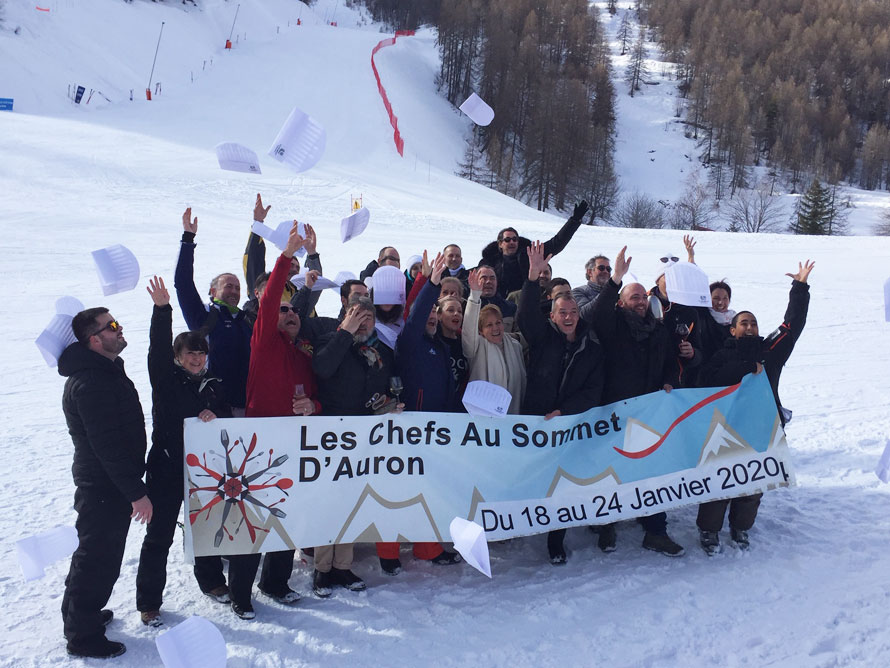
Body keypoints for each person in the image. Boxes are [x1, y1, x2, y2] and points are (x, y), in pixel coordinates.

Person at [227, 223, 321, 619]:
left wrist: (312, 407)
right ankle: (240, 594)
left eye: (293, 309)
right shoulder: (263, 343)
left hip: (295, 445)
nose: (288, 313)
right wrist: (285, 258)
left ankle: (275, 582)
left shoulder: (302, 354)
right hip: (258, 445)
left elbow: (318, 397)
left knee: (288, 515)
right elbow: (268, 305)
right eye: (281, 309)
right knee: (253, 519)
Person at [696, 261, 814, 555]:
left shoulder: (770, 351)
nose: (749, 327)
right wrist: (748, 366)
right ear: (733, 330)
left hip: (763, 428)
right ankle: (709, 530)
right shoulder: (721, 355)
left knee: (753, 483)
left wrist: (799, 288)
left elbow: (793, 325)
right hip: (725, 428)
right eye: (743, 323)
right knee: (719, 481)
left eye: (753, 323)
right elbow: (709, 380)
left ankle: (741, 527)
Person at [136, 277, 231, 628]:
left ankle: (211, 581)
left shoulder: (213, 383)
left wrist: (214, 414)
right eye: (190, 353)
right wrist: (162, 311)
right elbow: (156, 349)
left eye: (201, 352)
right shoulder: (164, 378)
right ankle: (149, 602)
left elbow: (223, 417)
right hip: (166, 468)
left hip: (203, 471)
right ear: (178, 357)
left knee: (205, 528)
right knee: (159, 535)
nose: (196, 358)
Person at [58, 308, 152, 659]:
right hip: (103, 485)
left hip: (107, 482)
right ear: (94, 339)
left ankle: (79, 616)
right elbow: (107, 447)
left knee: (94, 554)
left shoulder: (102, 370)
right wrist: (136, 493)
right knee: (98, 558)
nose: (119, 327)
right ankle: (82, 636)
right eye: (112, 326)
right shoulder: (91, 382)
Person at [585, 246, 685, 557]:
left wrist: (670, 380)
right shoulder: (612, 324)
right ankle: (606, 525)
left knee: (651, 469)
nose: (640, 302)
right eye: (634, 298)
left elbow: (670, 362)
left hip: (649, 413)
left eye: (644, 298)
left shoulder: (658, 330)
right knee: (610, 471)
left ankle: (655, 529)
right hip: (614, 411)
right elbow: (596, 312)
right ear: (622, 302)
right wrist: (615, 277)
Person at [376, 253, 462, 574]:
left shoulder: (439, 347)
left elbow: (449, 392)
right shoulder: (408, 343)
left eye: (434, 317)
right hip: (407, 428)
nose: (431, 320)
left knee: (430, 491)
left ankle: (428, 547)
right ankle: (388, 552)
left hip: (436, 433)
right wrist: (432, 283)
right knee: (396, 491)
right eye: (427, 316)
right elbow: (414, 319)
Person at [519, 242, 604, 565]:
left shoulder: (592, 346)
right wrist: (531, 277)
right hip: (536, 423)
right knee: (532, 477)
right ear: (552, 316)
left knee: (563, 485)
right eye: (562, 313)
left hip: (569, 427)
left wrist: (565, 412)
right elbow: (527, 313)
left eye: (572, 312)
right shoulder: (542, 338)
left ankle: (557, 539)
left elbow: (593, 390)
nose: (568, 317)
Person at [311, 296, 401, 596]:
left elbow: (380, 385)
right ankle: (322, 569)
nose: (364, 323)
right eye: (357, 315)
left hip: (363, 438)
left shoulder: (376, 350)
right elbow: (322, 369)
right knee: (327, 504)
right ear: (345, 315)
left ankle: (343, 565)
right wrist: (345, 332)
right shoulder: (330, 339)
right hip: (330, 436)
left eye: (368, 318)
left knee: (352, 502)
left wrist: (386, 404)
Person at [174, 207, 252, 412]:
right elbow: (183, 284)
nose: (234, 291)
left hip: (249, 407)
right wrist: (188, 240)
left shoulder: (246, 320)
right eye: (228, 286)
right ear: (213, 290)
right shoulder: (204, 316)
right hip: (215, 409)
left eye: (237, 287)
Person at [478, 200, 588, 297]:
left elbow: (557, 243)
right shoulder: (489, 261)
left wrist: (574, 221)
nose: (512, 242)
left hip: (525, 302)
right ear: (500, 244)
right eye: (507, 240)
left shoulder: (530, 255)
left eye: (515, 239)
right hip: (499, 304)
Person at [243, 194, 323, 326]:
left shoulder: (303, 292)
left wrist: (312, 253)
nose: (294, 269)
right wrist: (258, 225)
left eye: (297, 267)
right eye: (290, 265)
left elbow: (317, 280)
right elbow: (253, 262)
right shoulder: (266, 288)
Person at [463, 268, 526, 414]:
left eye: (498, 323)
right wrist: (474, 296)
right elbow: (468, 330)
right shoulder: (476, 347)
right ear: (480, 331)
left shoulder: (515, 346)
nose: (495, 328)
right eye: (489, 325)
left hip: (513, 417)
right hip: (483, 420)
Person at [572, 254, 611, 320]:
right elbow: (584, 314)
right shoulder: (578, 292)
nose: (605, 271)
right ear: (590, 272)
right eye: (601, 268)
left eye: (608, 269)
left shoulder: (613, 294)